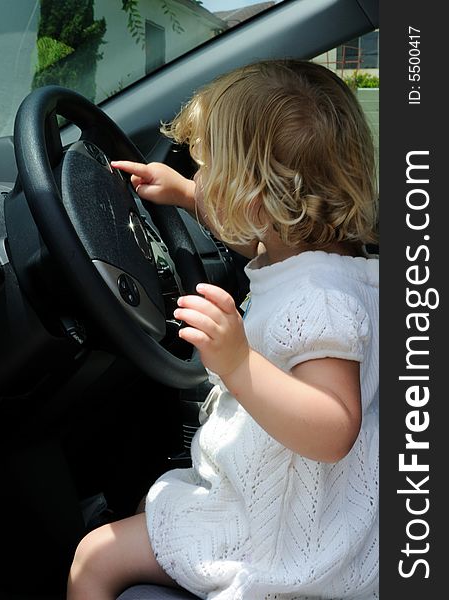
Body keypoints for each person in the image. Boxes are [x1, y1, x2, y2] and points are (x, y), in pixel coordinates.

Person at [67, 59, 379, 600]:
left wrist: (238, 363)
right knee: (151, 505)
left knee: (95, 555)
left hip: (286, 539)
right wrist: (189, 195)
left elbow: (333, 430)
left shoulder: (322, 300)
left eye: (208, 169)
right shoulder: (322, 259)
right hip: (287, 500)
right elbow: (258, 242)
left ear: (255, 196)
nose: (199, 176)